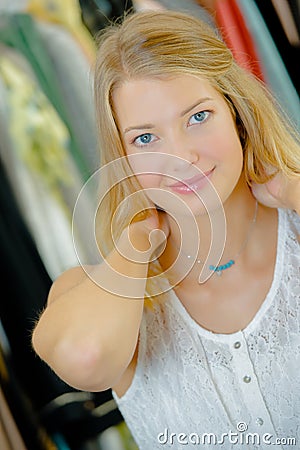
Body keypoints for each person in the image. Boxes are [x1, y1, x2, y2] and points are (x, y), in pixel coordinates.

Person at [32, 10, 300, 449]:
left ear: (236, 110)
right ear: (122, 157)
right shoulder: (102, 292)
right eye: (145, 139)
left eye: (197, 117)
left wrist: (292, 186)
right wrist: (139, 239)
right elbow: (86, 358)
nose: (180, 156)